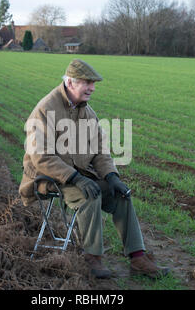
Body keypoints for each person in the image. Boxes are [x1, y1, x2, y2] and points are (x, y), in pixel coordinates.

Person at [19, 59, 169, 279]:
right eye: (87, 83)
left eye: (93, 83)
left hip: (79, 174)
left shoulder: (88, 112)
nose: (92, 88)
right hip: (49, 177)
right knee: (89, 195)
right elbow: (41, 157)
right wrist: (76, 178)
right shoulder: (45, 109)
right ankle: (92, 258)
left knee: (120, 196)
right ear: (70, 82)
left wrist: (111, 176)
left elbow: (100, 151)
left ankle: (138, 257)